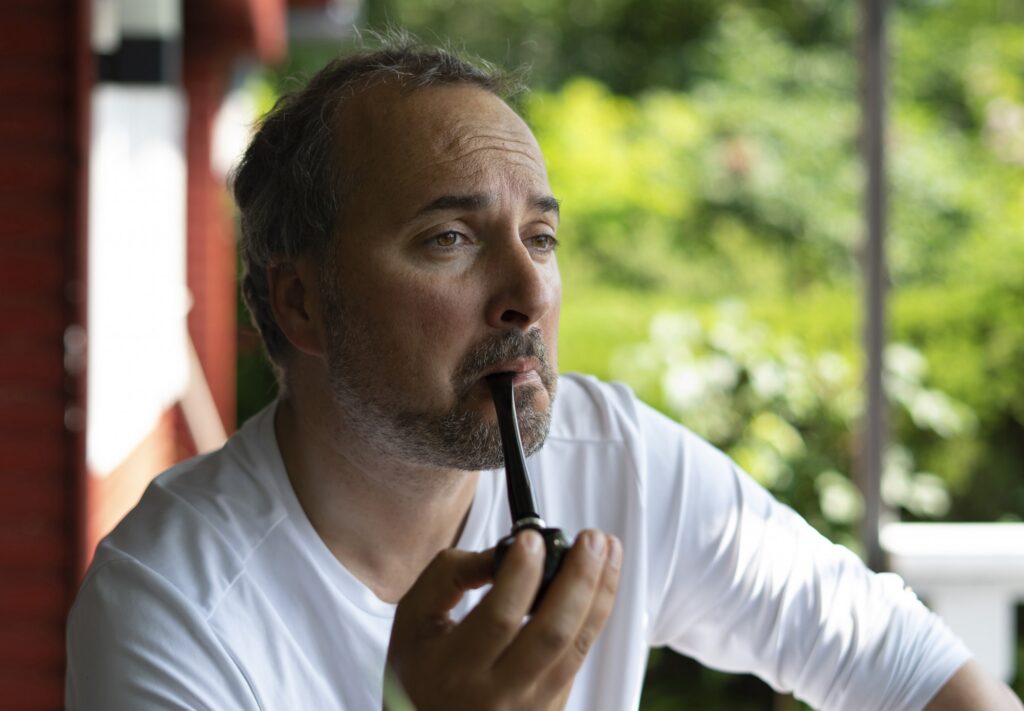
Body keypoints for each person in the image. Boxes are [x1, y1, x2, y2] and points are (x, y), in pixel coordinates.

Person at [66, 40, 1022, 711]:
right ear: (302, 303)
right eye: (449, 238)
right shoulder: (173, 608)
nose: (529, 294)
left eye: (541, 237)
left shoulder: (616, 459)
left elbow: (906, 667)